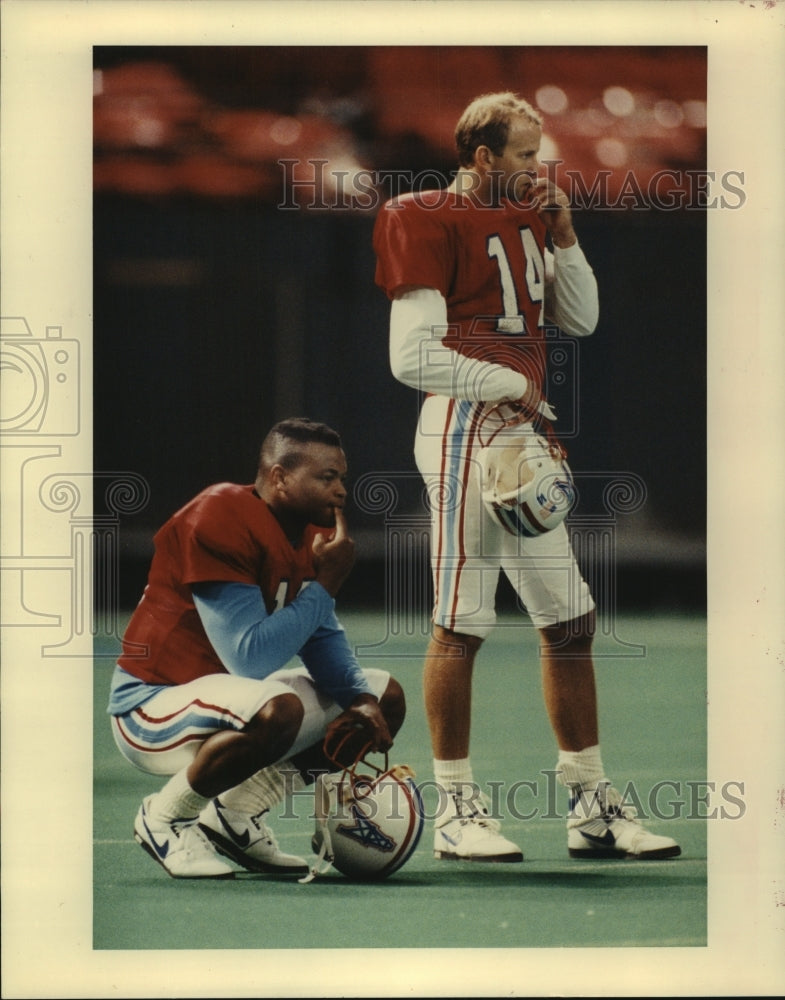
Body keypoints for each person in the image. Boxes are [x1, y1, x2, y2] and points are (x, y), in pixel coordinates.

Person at [373, 91, 680, 862]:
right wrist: (510, 386)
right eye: (521, 155)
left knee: (569, 619)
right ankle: (457, 810)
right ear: (481, 157)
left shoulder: (529, 215)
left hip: (515, 430)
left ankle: (589, 806)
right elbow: (410, 358)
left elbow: (581, 319)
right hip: (461, 427)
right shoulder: (419, 214)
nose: (536, 169)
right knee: (461, 621)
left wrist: (565, 238)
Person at [108, 417, 405, 879]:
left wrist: (360, 700)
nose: (341, 491)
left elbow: (321, 636)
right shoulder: (219, 514)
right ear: (280, 478)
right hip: (150, 707)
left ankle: (235, 814)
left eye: (342, 478)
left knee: (383, 698)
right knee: (278, 708)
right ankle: (165, 818)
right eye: (327, 478)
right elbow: (248, 659)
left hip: (223, 700)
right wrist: (327, 583)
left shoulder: (306, 533)